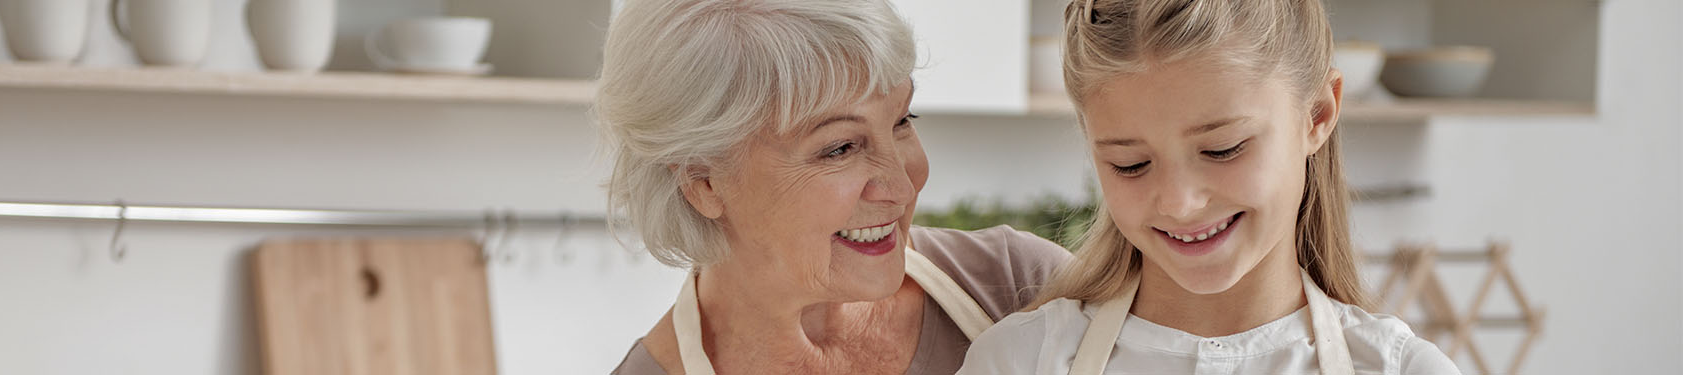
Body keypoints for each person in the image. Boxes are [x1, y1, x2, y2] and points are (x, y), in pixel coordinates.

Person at [957, 0, 1463, 374]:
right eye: (1130, 164)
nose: (1179, 203)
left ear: (1318, 114)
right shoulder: (1017, 362)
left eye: (1222, 149)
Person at [595, 0, 1072, 373]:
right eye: (840, 147)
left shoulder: (1020, 287)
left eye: (903, 120)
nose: (903, 186)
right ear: (703, 183)